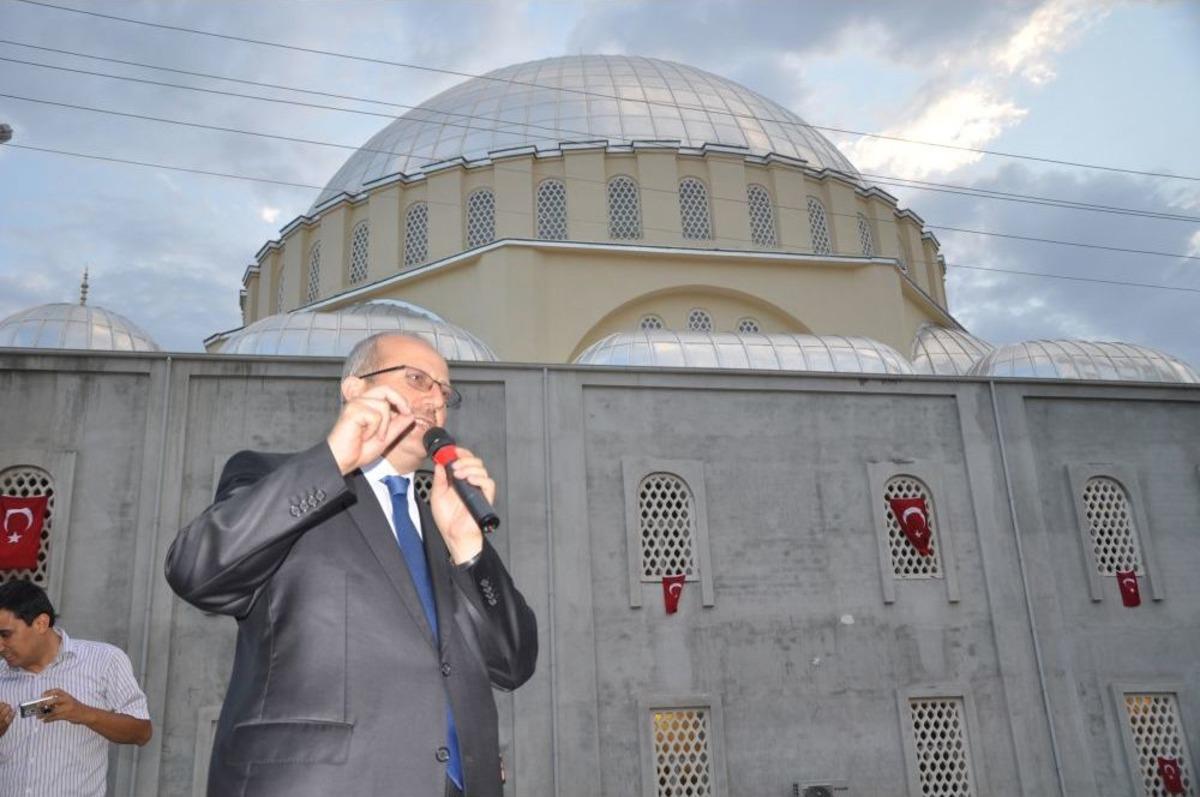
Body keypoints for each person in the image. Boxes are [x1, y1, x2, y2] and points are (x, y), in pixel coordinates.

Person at [165, 332, 538, 797]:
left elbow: (513, 664)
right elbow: (196, 571)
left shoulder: (446, 518)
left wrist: (468, 547)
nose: (435, 401)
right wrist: (334, 459)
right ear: (355, 389)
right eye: (417, 380)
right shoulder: (277, 479)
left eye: (445, 392)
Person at [0, 579, 152, 797]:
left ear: (41, 623)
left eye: (5, 635)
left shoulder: (105, 661)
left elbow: (142, 732)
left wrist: (85, 714)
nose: (0, 646)